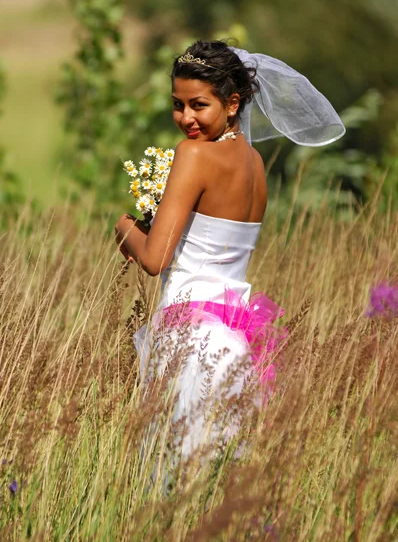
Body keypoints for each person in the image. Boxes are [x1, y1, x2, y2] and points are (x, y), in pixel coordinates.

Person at [115, 40, 345, 456]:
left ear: (233, 102)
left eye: (198, 105)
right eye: (177, 104)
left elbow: (154, 259)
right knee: (217, 482)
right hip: (236, 342)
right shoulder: (254, 164)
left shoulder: (194, 156)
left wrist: (124, 227)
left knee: (171, 485)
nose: (186, 118)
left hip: (191, 341)